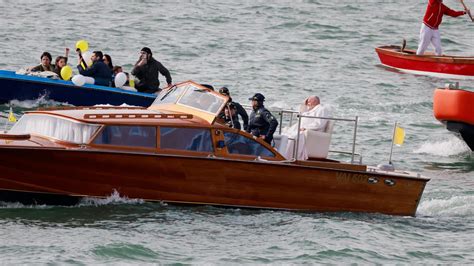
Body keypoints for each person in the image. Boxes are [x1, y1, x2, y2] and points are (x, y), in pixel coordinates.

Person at [281, 96, 331, 160]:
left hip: (311, 132)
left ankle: (289, 157)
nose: (308, 103)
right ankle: (281, 154)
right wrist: (303, 105)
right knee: (285, 134)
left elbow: (319, 124)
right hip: (300, 129)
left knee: (294, 136)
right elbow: (301, 116)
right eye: (307, 102)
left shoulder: (321, 109)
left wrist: (306, 128)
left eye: (309, 101)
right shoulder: (310, 109)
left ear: (315, 101)